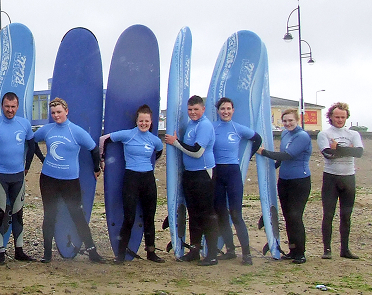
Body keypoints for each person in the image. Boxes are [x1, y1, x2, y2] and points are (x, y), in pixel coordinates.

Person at [34, 98, 103, 263]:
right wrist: (42, 158)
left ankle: (92, 252)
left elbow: (93, 148)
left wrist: (96, 169)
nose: (56, 115)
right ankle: (47, 254)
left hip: (70, 181)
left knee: (77, 215)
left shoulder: (76, 131)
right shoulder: (47, 130)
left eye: (59, 112)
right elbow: (31, 141)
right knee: (49, 215)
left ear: (66, 111)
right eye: (53, 113)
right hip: (48, 179)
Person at [0, 92, 37, 265]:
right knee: (0, 213)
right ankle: (0, 251)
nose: (10, 110)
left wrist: (27, 166)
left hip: (18, 175)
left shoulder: (24, 124)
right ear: (2, 106)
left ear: (17, 107)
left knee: (18, 213)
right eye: (7, 106)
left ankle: (19, 250)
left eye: (13, 107)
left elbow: (32, 145)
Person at [101, 104, 164, 263]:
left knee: (149, 217)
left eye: (147, 121)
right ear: (136, 121)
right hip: (131, 179)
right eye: (141, 121)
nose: (144, 123)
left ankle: (151, 252)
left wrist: (148, 164)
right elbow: (103, 139)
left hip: (148, 179)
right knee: (129, 218)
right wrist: (101, 159)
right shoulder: (128, 135)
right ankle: (120, 255)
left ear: (151, 122)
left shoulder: (154, 140)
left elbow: (159, 151)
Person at [165, 95, 220, 266]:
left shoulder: (204, 125)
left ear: (203, 109)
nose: (193, 112)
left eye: (196, 109)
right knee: (193, 214)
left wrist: (175, 143)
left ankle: (212, 255)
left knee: (207, 215)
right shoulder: (191, 124)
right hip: (190, 174)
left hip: (204, 174)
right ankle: (195, 250)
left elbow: (197, 152)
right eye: (190, 110)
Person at [256, 108, 312, 263]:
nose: (288, 124)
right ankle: (292, 250)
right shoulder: (285, 134)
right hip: (284, 181)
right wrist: (270, 170)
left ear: (297, 120)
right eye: (285, 121)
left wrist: (264, 152)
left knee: (295, 216)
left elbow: (288, 155)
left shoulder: (302, 136)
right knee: (288, 216)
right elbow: (281, 158)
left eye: (291, 121)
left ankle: (300, 252)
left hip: (299, 181)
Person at [212, 97, 262, 265]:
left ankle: (246, 253)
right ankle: (230, 250)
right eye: (222, 109)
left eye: (228, 109)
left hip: (233, 173)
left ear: (233, 111)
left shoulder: (238, 128)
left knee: (235, 213)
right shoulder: (212, 128)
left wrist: (248, 157)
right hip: (217, 173)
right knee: (221, 213)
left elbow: (257, 139)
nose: (225, 112)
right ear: (218, 111)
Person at [317, 102, 364, 259]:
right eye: (336, 117)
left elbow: (359, 153)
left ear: (346, 117)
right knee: (328, 214)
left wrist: (338, 149)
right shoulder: (324, 134)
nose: (339, 119)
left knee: (346, 215)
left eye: (342, 117)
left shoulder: (353, 134)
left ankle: (345, 249)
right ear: (330, 117)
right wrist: (347, 150)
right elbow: (327, 154)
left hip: (348, 177)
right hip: (331, 178)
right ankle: (327, 249)